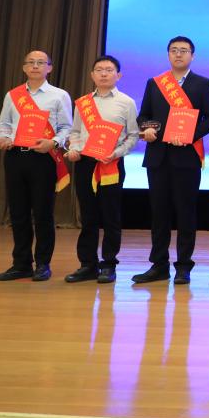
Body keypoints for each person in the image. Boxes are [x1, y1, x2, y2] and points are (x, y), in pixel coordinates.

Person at [133, 36, 209, 285]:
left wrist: (190, 135)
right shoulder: (155, 83)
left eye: (183, 50)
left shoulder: (203, 84)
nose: (178, 54)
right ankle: (158, 265)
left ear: (192, 55)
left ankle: (183, 266)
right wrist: (147, 129)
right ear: (168, 54)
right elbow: (144, 116)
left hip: (187, 157)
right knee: (159, 213)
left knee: (185, 213)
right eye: (174, 50)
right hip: (158, 156)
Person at [0, 50, 73, 282]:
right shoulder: (13, 95)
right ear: (24, 67)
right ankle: (21, 264)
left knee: (43, 213)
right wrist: (3, 137)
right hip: (15, 156)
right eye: (31, 62)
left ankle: (43, 264)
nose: (35, 66)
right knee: (18, 213)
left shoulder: (59, 95)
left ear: (50, 68)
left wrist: (53, 142)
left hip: (43, 158)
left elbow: (67, 128)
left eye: (40, 63)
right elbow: (3, 124)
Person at [63, 55, 139, 284]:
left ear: (118, 75)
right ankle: (87, 264)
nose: (104, 73)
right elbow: (75, 132)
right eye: (99, 70)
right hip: (86, 163)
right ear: (92, 75)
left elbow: (133, 135)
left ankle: (108, 264)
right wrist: (74, 149)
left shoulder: (127, 102)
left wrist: (116, 153)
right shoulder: (83, 103)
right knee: (88, 216)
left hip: (111, 164)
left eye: (109, 69)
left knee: (111, 216)